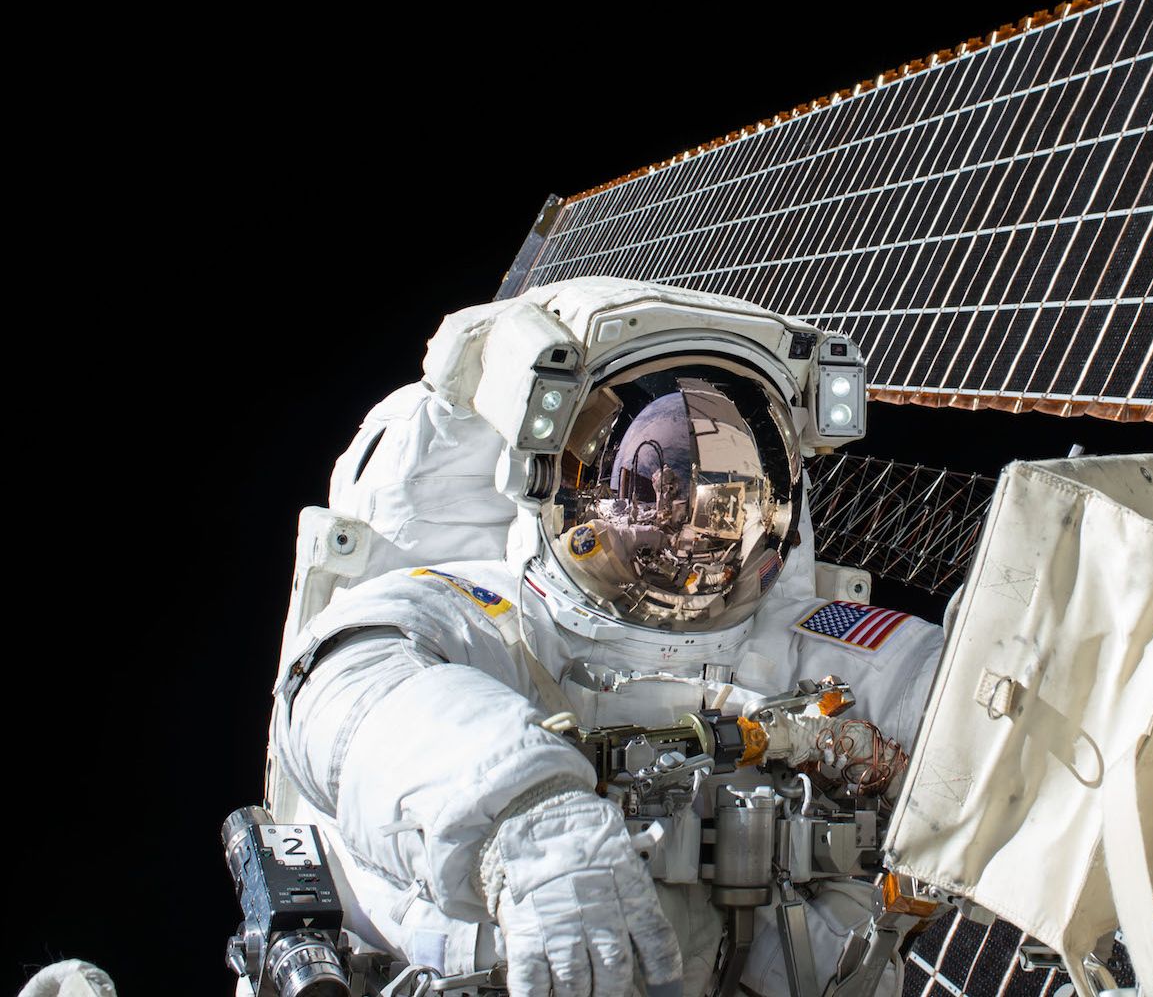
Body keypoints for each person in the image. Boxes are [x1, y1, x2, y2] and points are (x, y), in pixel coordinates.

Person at [268, 277, 945, 996]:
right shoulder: (483, 606)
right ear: (554, 480)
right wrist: (524, 817)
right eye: (658, 486)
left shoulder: (796, 634)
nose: (691, 531)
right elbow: (347, 687)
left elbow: (957, 698)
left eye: (730, 489)